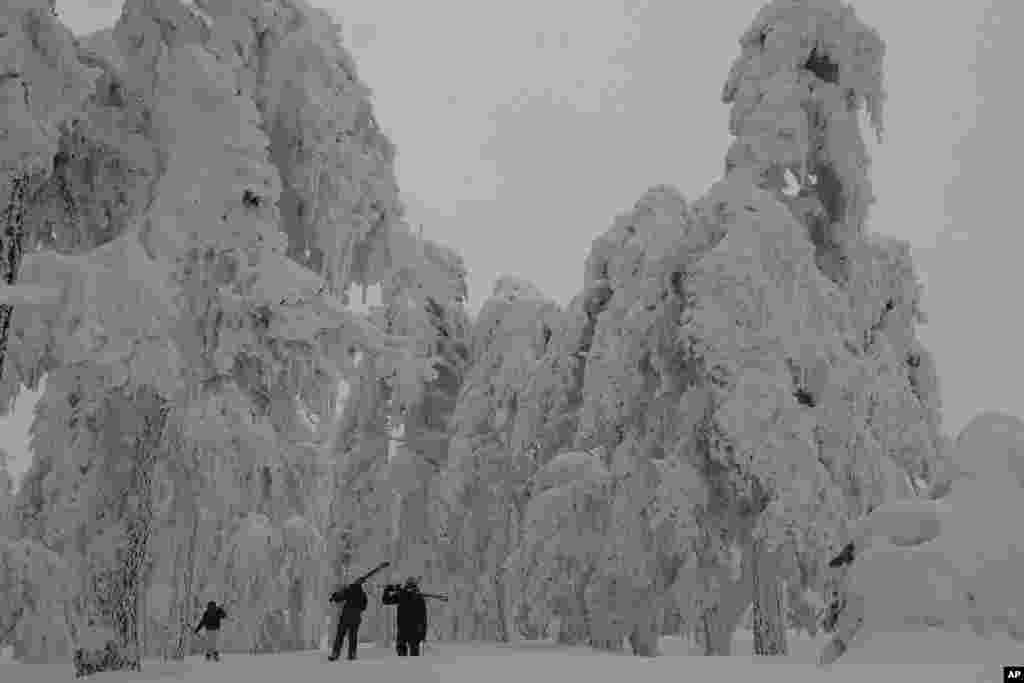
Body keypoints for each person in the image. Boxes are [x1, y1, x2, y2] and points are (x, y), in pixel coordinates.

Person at [382, 577, 429, 656]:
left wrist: (388, 590)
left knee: (408, 652)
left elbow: (423, 616)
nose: (409, 587)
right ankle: (407, 666)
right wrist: (388, 590)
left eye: (410, 585)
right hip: (407, 628)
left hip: (410, 629)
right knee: (406, 651)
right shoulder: (405, 595)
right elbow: (386, 600)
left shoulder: (408, 596)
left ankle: (408, 666)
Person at [327, 577, 370, 661]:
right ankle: (352, 654)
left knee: (340, 635)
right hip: (356, 618)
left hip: (345, 617)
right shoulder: (363, 594)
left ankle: (335, 653)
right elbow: (364, 607)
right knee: (353, 636)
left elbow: (338, 598)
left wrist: (333, 596)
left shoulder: (349, 590)